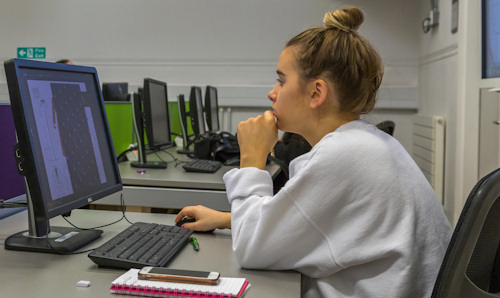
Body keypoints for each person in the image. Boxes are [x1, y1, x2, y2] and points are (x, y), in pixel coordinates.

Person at [175, 6, 451, 298]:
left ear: (316, 93)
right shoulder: (361, 143)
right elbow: (308, 222)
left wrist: (251, 161)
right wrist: (227, 219)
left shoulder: (344, 155)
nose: (273, 93)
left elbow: (251, 250)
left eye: (281, 81)